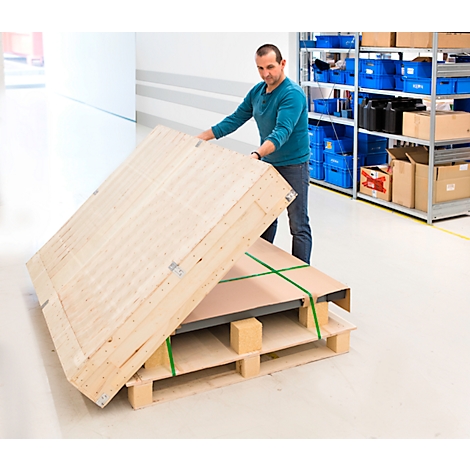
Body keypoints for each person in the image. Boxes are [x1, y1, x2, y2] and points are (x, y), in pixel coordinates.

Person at [197, 44, 312, 264]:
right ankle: (261, 264)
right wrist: (201, 138)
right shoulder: (258, 92)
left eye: (270, 67)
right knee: (265, 218)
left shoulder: (292, 95)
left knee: (298, 224)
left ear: (282, 64)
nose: (265, 73)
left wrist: (257, 155)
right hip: (269, 163)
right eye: (260, 68)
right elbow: (235, 119)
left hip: (293, 166)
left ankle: (302, 273)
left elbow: (281, 133)